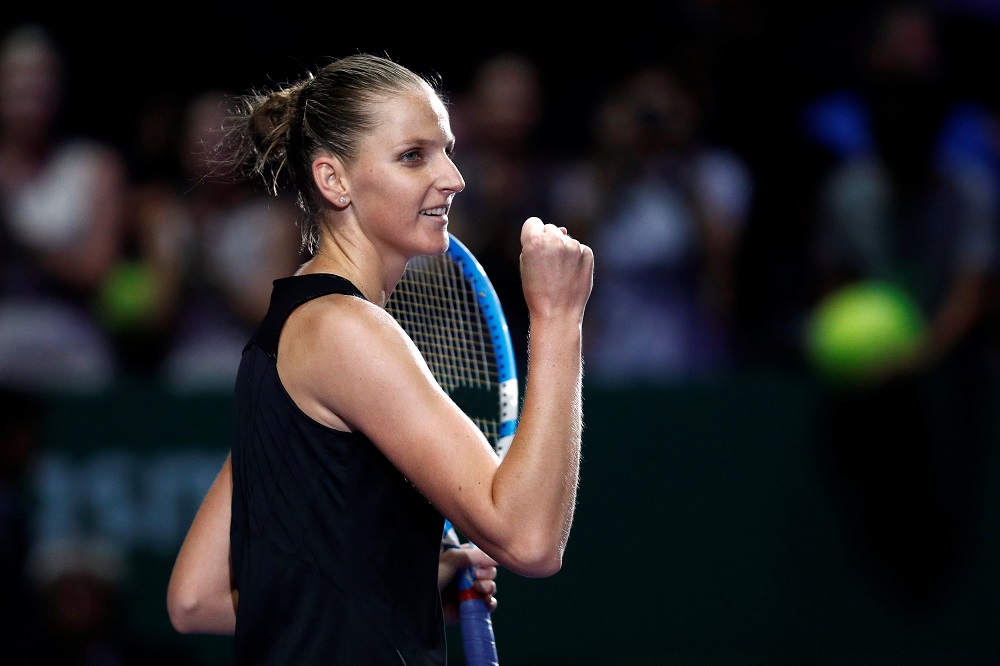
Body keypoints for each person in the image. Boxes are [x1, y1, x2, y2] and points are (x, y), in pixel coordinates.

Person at [165, 53, 594, 665]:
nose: (453, 177)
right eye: (413, 156)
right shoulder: (346, 332)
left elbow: (196, 599)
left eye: (446, 150)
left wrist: (411, 588)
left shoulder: (286, 335)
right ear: (334, 181)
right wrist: (559, 319)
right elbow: (529, 539)